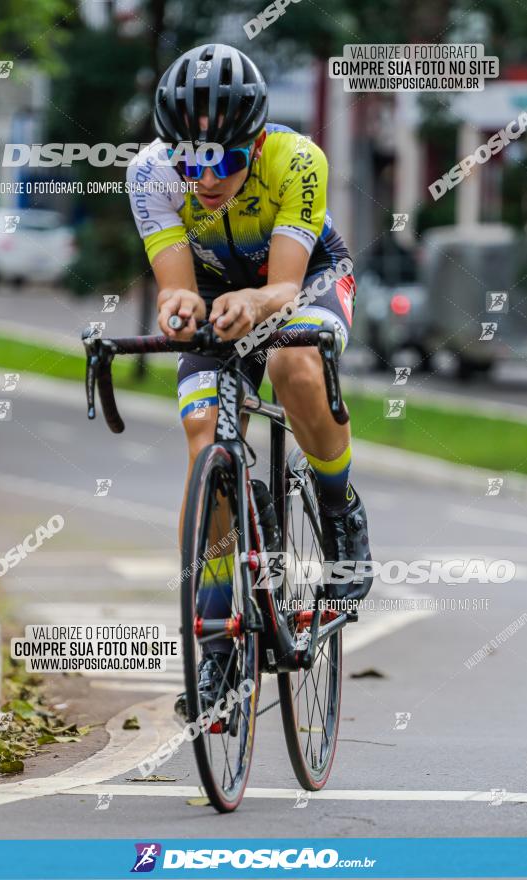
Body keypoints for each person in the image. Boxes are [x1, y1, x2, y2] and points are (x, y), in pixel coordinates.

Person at [127, 43, 373, 713]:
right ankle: (214, 645)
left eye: (226, 161)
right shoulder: (150, 172)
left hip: (307, 282)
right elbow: (177, 289)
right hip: (218, 289)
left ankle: (337, 510)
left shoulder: (297, 159)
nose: (205, 180)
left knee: (295, 363)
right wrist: (179, 310)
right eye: (191, 160)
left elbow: (287, 285)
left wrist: (258, 303)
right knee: (201, 431)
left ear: (255, 142)